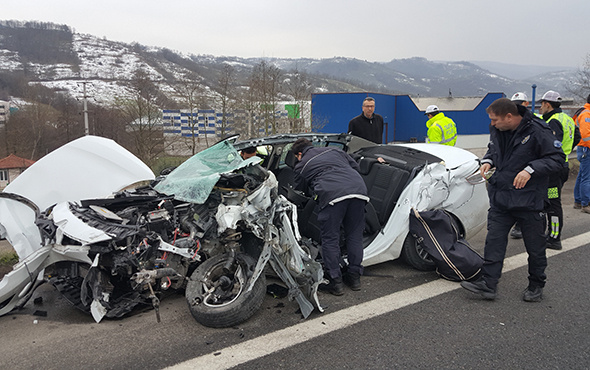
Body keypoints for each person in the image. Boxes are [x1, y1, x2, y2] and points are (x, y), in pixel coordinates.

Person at [461, 98, 565, 302]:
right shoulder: (498, 129)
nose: (492, 124)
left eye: (495, 120)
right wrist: (488, 161)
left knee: (535, 248)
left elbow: (557, 159)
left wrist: (530, 169)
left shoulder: (537, 131)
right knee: (494, 242)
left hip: (529, 201)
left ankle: (536, 284)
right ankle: (488, 284)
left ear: (509, 117)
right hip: (501, 197)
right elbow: (494, 150)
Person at [291, 138, 369, 295]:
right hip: (359, 190)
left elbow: (299, 191)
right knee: (354, 236)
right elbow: (355, 166)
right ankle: (354, 278)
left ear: (299, 154)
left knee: (330, 239)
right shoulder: (335, 150)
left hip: (332, 195)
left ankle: (336, 282)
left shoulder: (303, 163)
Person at [538, 91, 580, 249]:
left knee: (552, 203)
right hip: (561, 166)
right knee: (549, 201)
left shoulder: (554, 121)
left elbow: (549, 144)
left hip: (553, 170)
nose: (540, 108)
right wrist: (566, 150)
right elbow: (577, 136)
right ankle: (549, 234)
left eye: (541, 104)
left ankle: (554, 238)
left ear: (547, 104)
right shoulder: (567, 118)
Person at [508, 92, 530, 239]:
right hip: (514, 169)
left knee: (552, 201)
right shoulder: (509, 123)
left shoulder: (535, 123)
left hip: (535, 171)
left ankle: (553, 235)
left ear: (526, 104)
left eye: (519, 104)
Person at [574, 93, 590, 213]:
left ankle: (578, 201)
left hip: (583, 148)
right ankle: (585, 204)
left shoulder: (584, 111)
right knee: (587, 178)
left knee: (582, 176)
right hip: (586, 148)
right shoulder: (586, 114)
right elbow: (586, 136)